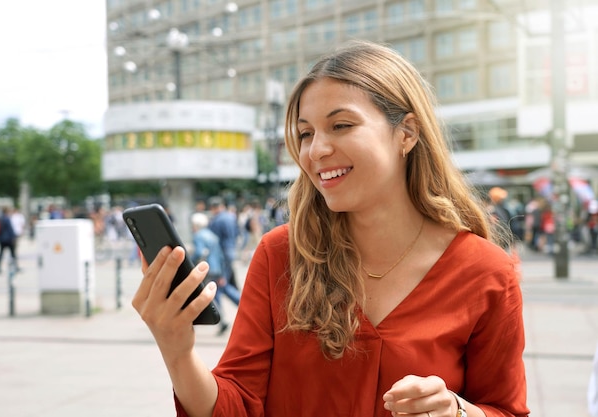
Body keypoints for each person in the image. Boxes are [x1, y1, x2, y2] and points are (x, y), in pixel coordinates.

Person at [132, 40, 529, 417]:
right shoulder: (280, 255)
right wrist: (177, 352)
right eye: (306, 133)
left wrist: (457, 410)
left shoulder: (486, 272)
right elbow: (238, 403)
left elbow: (505, 408)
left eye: (340, 125)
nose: (316, 150)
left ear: (406, 133)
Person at [190, 212, 240, 336]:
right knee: (218, 292)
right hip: (217, 268)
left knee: (207, 294)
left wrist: (190, 261)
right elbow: (220, 255)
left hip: (206, 269)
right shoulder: (212, 236)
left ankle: (221, 319)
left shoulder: (198, 236)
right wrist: (222, 272)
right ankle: (240, 306)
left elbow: (199, 253)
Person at [0, 207, 18, 274]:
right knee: (13, 254)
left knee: (1, 253)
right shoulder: (7, 219)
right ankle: (15, 267)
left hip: (1, 239)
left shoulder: (0, 218)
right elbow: (10, 229)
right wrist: (14, 237)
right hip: (8, 239)